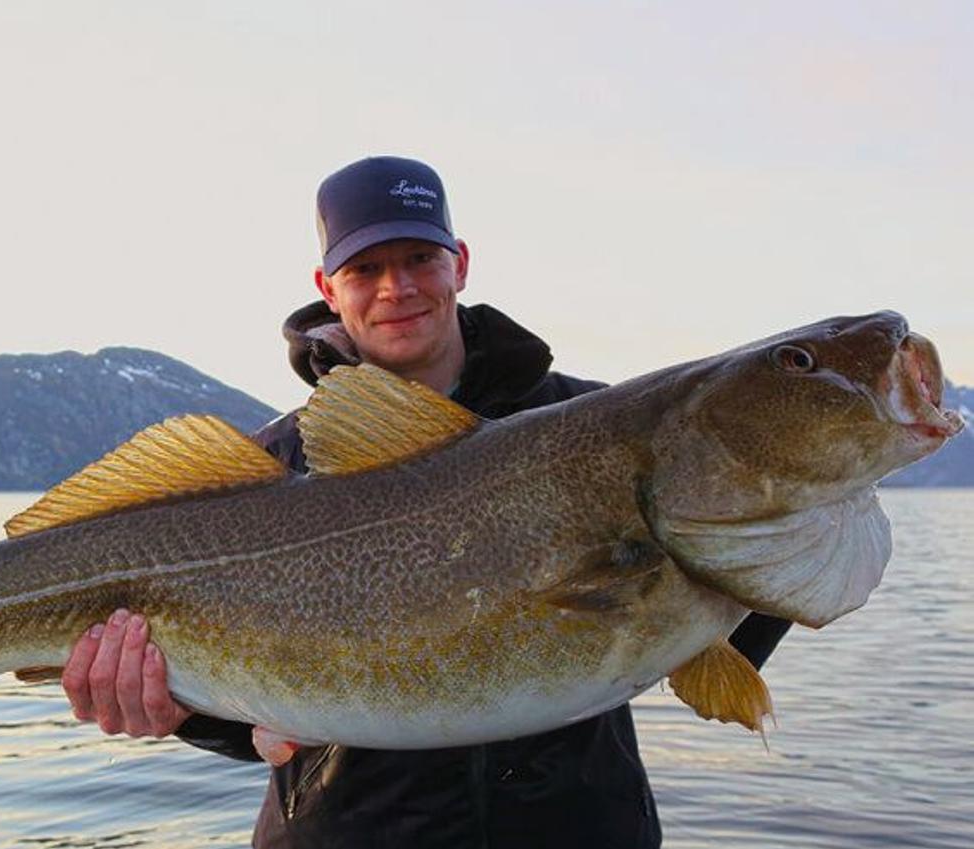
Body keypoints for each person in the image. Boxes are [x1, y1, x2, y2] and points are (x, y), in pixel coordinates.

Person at [60, 156, 794, 847]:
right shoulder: (269, 470)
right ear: (327, 286)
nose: (397, 288)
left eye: (419, 259)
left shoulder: (601, 428)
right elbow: (242, 710)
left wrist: (786, 557)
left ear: (460, 263)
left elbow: (690, 631)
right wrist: (176, 704)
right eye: (366, 268)